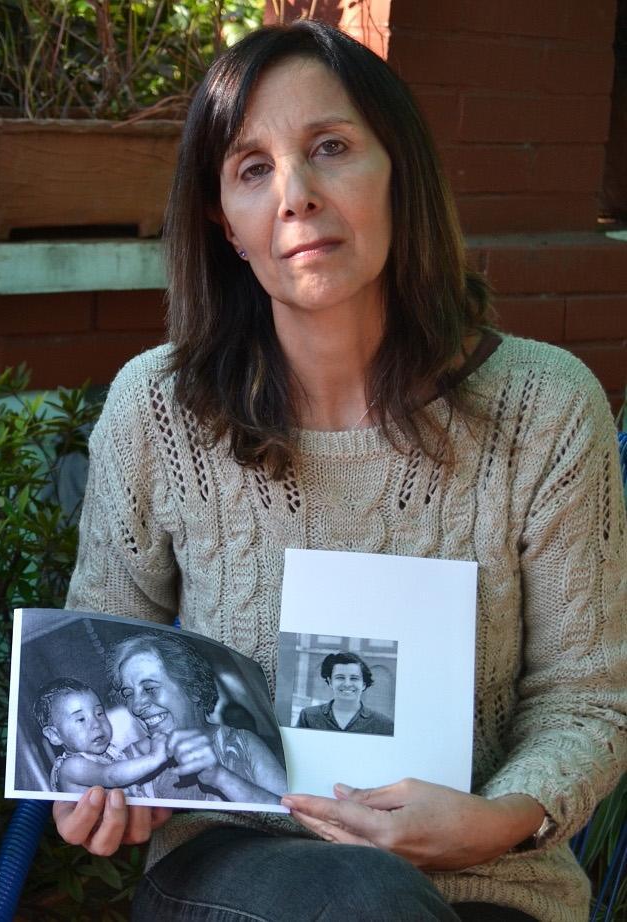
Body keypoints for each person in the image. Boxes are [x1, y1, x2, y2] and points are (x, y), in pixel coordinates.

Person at [54, 20, 626, 922]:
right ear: (223, 222)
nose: (296, 196)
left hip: (490, 880)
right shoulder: (159, 409)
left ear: (399, 169)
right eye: (252, 169)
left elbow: (586, 700)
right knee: (367, 897)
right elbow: (100, 650)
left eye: (330, 148)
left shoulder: (545, 407)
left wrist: (498, 820)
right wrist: (100, 787)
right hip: (232, 866)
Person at [109, 635, 285, 805]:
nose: (136, 706)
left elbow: (292, 816)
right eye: (129, 694)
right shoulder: (122, 764)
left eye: (149, 688)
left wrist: (220, 776)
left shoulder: (242, 744)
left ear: (193, 689)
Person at [32, 677, 170, 794]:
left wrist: (161, 737)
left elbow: (133, 751)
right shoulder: (70, 767)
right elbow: (111, 776)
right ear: (55, 735)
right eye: (81, 719)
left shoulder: (108, 754)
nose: (96, 724)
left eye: (99, 713)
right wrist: (154, 757)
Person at [295, 651, 394, 735]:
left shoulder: (383, 724)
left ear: (364, 684)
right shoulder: (308, 716)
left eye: (354, 678)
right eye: (340, 677)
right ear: (330, 682)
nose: (347, 684)